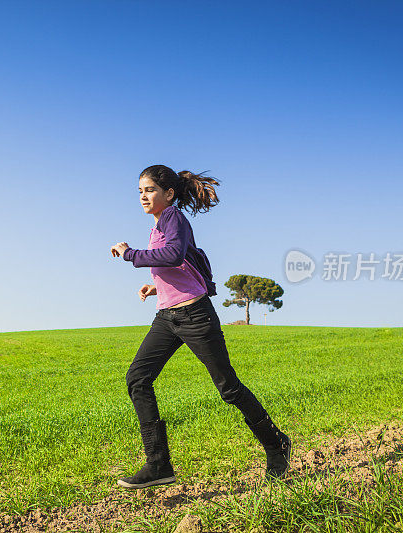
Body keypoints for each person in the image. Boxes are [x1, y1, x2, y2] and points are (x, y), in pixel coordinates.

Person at [109, 164, 291, 489]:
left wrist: (129, 254)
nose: (143, 196)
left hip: (195, 316)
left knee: (229, 388)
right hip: (167, 317)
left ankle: (276, 444)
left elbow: (174, 254)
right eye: (140, 191)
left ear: (168, 193)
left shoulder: (173, 218)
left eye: (149, 190)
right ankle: (158, 465)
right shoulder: (160, 224)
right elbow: (184, 262)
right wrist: (157, 287)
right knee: (138, 379)